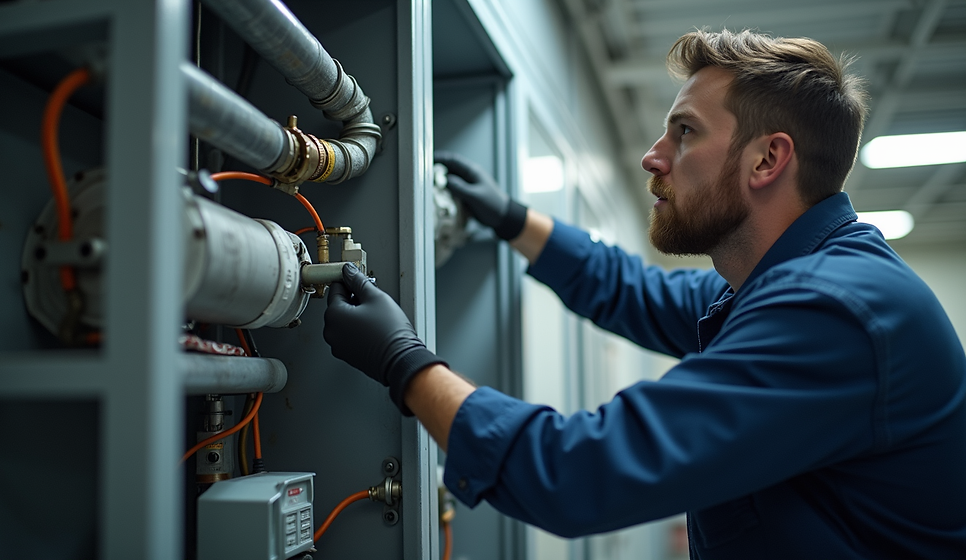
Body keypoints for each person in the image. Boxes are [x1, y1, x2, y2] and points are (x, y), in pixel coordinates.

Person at [323, 29, 966, 558]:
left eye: (684, 132)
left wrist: (405, 363)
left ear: (767, 160)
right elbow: (634, 291)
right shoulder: (782, 286)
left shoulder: (832, 310)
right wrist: (513, 220)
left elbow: (577, 475)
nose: (653, 157)